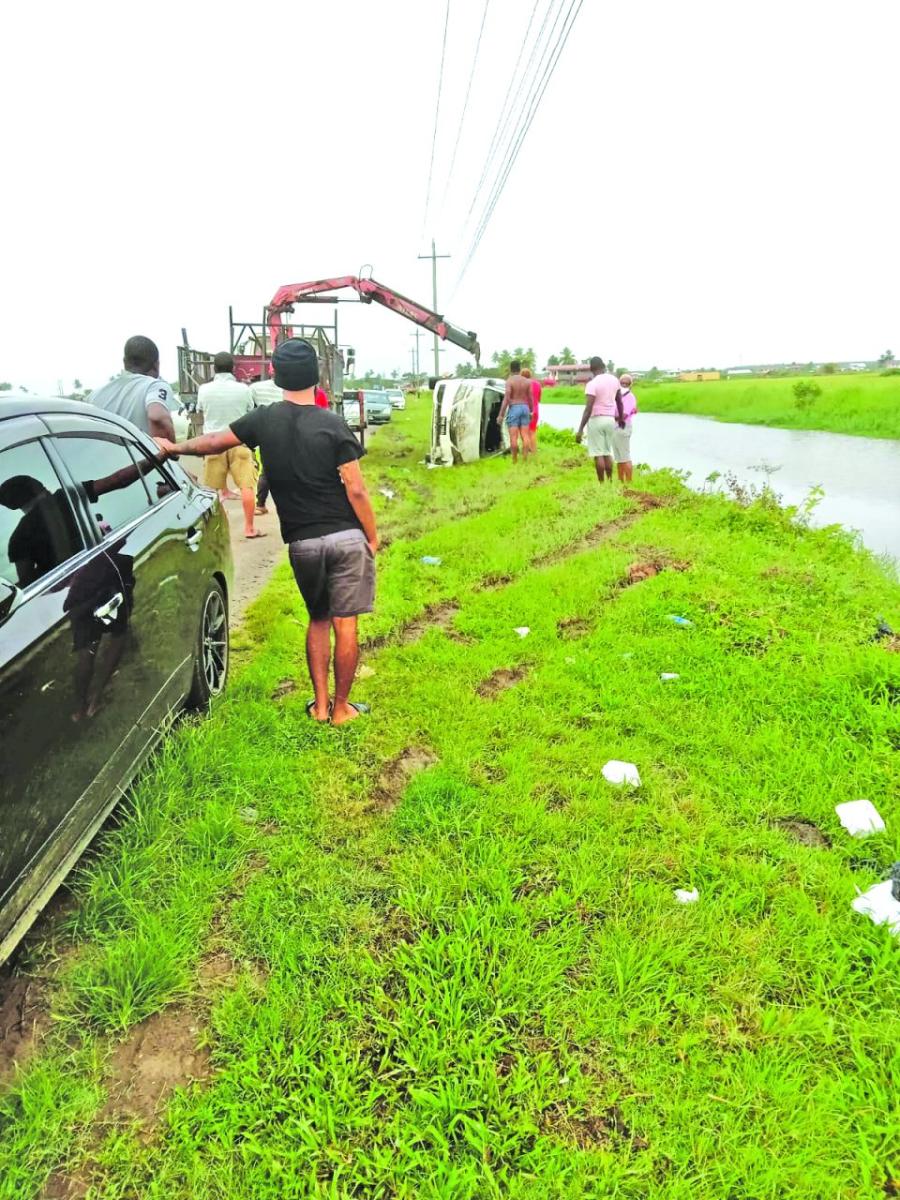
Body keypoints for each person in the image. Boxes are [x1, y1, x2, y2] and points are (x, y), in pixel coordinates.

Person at [153, 338, 378, 726]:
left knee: (318, 619)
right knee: (346, 624)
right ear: (318, 376)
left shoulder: (263, 420)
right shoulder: (333, 423)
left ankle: (320, 706)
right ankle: (343, 709)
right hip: (345, 538)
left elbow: (213, 441)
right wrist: (372, 536)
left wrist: (173, 448)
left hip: (303, 544)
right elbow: (355, 488)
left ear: (275, 374)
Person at [197, 352, 261, 538]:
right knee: (247, 487)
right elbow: (250, 411)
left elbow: (201, 410)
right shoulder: (244, 389)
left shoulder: (204, 389)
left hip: (213, 443)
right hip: (238, 441)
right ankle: (249, 528)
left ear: (214, 368)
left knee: (210, 491)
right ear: (233, 368)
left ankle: (211, 532)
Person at [249, 371, 329, 515]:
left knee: (267, 471)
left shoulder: (258, 389)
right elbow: (323, 416)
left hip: (272, 436)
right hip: (304, 435)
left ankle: (260, 504)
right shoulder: (317, 394)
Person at [89, 335, 175, 440]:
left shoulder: (94, 396)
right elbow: (157, 418)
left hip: (103, 455)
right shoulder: (154, 386)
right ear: (156, 365)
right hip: (142, 456)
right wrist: (170, 452)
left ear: (125, 362)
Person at [576, 357, 624, 483]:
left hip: (596, 419)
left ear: (591, 368)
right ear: (603, 366)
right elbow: (619, 401)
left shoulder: (592, 383)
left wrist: (580, 429)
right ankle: (610, 480)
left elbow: (588, 408)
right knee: (607, 452)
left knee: (598, 454)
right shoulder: (614, 380)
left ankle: (601, 484)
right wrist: (621, 418)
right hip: (610, 419)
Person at [496, 359, 534, 463]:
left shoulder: (510, 381)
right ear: (519, 368)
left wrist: (501, 415)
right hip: (525, 408)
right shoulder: (527, 381)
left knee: (513, 436)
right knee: (525, 435)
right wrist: (531, 411)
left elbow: (506, 399)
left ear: (510, 369)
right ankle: (525, 459)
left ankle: (515, 460)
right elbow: (531, 397)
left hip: (514, 408)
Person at [613, 373, 638, 482]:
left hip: (623, 427)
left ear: (630, 385)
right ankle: (621, 482)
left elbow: (623, 416)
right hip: (615, 428)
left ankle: (629, 483)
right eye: (622, 383)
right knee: (619, 458)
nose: (623, 385)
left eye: (626, 383)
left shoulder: (630, 397)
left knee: (625, 457)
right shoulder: (617, 396)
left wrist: (608, 416)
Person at [521, 367, 542, 454]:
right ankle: (534, 452)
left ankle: (526, 451)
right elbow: (539, 399)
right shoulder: (537, 384)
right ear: (530, 375)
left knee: (524, 432)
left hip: (525, 409)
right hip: (535, 410)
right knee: (532, 432)